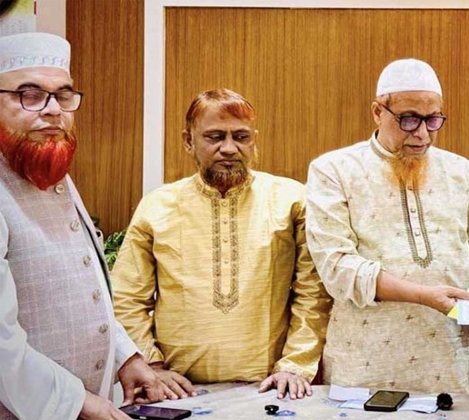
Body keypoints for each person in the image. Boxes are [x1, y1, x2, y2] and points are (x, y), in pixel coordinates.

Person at [112, 88, 332, 400]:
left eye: (241, 137)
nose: (229, 148)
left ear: (253, 139)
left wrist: (294, 366)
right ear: (188, 141)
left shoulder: (290, 200)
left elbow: (313, 293)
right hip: (177, 391)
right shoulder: (157, 206)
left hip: (273, 387)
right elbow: (127, 298)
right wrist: (152, 366)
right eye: (214, 137)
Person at [0, 32, 167, 419]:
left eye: (63, 95)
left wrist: (126, 357)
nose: (52, 110)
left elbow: (79, 285)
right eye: (29, 95)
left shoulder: (47, 165)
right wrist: (75, 403)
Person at [305, 58, 469, 394]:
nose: (422, 134)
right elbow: (337, 268)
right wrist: (423, 295)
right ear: (378, 112)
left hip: (449, 359)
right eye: (408, 119)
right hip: (364, 362)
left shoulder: (462, 172)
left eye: (433, 119)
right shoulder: (333, 171)